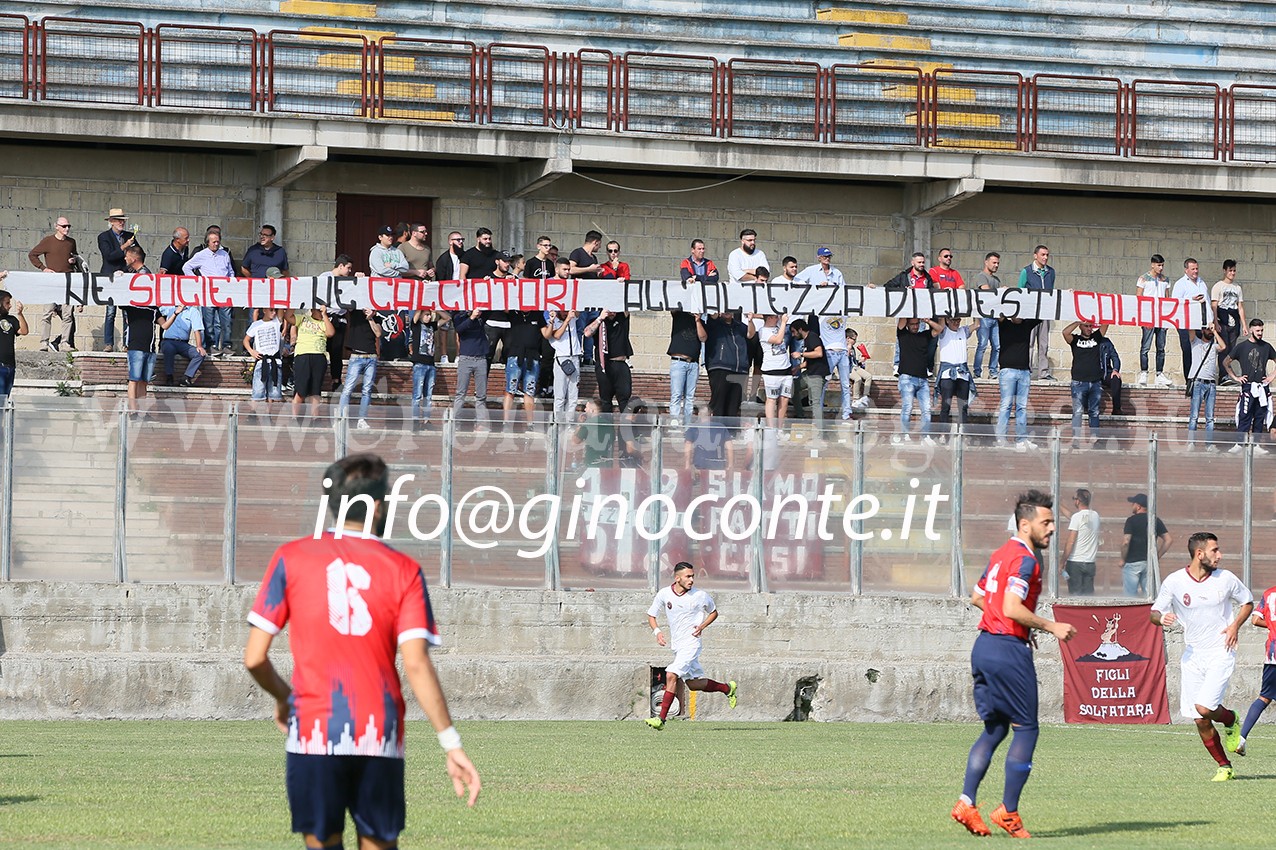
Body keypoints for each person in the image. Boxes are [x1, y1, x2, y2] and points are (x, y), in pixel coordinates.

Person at [243, 454, 481, 850]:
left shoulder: (291, 557)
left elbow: (254, 658)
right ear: (376, 507)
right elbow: (417, 664)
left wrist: (287, 698)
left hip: (315, 732)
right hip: (378, 734)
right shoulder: (403, 570)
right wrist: (450, 742)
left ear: (333, 505)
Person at [951, 489, 1076, 839]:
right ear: (1025, 524)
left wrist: (1019, 624)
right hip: (1007, 651)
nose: (1052, 528)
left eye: (1053, 522)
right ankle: (1009, 811)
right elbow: (1009, 606)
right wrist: (1050, 625)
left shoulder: (999, 553)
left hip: (984, 647)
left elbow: (978, 597)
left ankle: (966, 802)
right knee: (1027, 728)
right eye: (1046, 522)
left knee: (995, 729)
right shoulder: (1026, 560)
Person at [1150, 532, 1253, 781]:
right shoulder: (1175, 582)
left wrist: (1234, 626)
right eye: (1214, 550)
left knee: (1204, 708)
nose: (1220, 555)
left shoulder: (1225, 578)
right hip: (1192, 656)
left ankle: (1230, 719)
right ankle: (1224, 766)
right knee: (1199, 720)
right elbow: (1154, 611)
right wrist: (1162, 618)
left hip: (1221, 651)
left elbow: (1247, 601)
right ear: (1199, 554)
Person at [644, 561, 738, 731]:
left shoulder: (700, 595)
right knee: (694, 685)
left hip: (692, 644)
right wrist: (657, 632)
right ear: (677, 578)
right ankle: (727, 688)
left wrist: (701, 626)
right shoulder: (664, 594)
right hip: (678, 646)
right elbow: (651, 615)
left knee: (671, 674)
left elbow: (714, 612)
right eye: (688, 576)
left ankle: (661, 719)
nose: (691, 580)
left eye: (693, 576)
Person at [120, 245, 166, 409]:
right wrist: (118, 278)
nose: (125, 259)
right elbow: (119, 299)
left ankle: (140, 410)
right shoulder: (132, 304)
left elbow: (164, 324)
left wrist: (177, 311)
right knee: (134, 377)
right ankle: (133, 411)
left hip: (149, 347)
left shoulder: (143, 276)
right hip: (136, 344)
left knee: (144, 380)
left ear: (133, 258)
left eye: (126, 256)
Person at [28, 215, 81, 352]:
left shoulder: (71, 242)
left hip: (67, 280)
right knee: (47, 313)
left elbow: (75, 256)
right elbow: (32, 254)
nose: (67, 229)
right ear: (57, 227)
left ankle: (64, 343)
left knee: (68, 314)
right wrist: (43, 268)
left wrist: (73, 260)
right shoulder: (48, 241)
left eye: (68, 226)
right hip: (52, 280)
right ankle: (44, 342)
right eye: (64, 226)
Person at [1223, 318, 1276, 453]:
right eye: (1257, 330)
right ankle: (1240, 444)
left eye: (1262, 330)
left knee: (1259, 416)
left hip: (1262, 386)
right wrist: (1236, 377)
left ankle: (1256, 444)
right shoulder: (1242, 347)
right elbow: (1226, 362)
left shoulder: (1266, 346)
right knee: (1245, 414)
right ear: (1251, 330)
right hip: (1248, 386)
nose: (1260, 333)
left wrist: (1271, 376)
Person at [1235, 582, 1276, 756]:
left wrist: (1272, 625)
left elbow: (1255, 619)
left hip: (1272, 655)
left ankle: (1242, 738)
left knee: (1264, 697)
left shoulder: (1268, 594)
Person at [183, 230, 236, 358]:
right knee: (209, 321)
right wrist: (197, 281)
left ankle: (226, 345)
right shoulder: (201, 255)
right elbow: (186, 267)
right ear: (208, 243)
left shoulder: (225, 254)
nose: (216, 244)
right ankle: (211, 345)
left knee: (226, 321)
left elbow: (230, 271)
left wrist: (231, 281)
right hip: (208, 293)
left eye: (218, 241)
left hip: (224, 292)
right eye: (214, 242)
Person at [995, 316, 1041, 450]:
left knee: (1022, 407)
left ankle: (1021, 439)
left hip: (1024, 372)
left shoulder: (1027, 324)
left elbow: (1041, 313)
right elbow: (999, 312)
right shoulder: (1005, 324)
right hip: (1008, 372)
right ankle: (1001, 439)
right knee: (1006, 405)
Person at [98, 208, 141, 353]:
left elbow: (139, 253)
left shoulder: (130, 236)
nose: (121, 222)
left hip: (126, 276)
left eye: (122, 220)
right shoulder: (104, 237)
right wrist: (125, 246)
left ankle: (127, 343)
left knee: (127, 312)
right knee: (110, 311)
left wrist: (132, 267)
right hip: (111, 277)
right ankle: (108, 343)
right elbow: (109, 256)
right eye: (118, 220)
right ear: (111, 222)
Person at [1062, 320, 1110, 447]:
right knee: (1077, 411)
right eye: (1087, 326)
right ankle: (1076, 439)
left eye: (1091, 326)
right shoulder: (1075, 340)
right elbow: (1065, 332)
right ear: (1081, 327)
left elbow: (1106, 324)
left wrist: (1096, 315)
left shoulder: (1096, 337)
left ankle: (1094, 437)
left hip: (1095, 382)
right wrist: (1078, 321)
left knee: (1094, 411)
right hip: (1079, 382)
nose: (1090, 329)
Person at [895, 317, 941, 445]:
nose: (915, 326)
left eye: (917, 324)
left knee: (926, 409)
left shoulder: (924, 335)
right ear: (908, 325)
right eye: (912, 324)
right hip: (907, 378)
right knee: (907, 407)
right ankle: (905, 435)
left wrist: (927, 321)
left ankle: (925, 436)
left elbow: (939, 329)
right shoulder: (903, 334)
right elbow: (902, 319)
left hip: (923, 380)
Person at [703, 309, 755, 419]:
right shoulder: (715, 323)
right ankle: (717, 433)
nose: (727, 311)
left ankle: (731, 433)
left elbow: (750, 334)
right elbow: (713, 313)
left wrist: (750, 321)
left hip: (739, 370)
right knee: (719, 404)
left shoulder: (740, 326)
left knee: (734, 406)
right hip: (720, 368)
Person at [338, 309, 383, 430]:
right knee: (347, 388)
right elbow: (349, 305)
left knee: (367, 390)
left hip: (371, 357)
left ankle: (362, 420)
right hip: (356, 356)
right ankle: (341, 419)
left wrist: (370, 318)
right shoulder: (356, 313)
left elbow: (378, 333)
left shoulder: (377, 319)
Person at [1120, 493, 1172, 597]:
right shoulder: (1155, 520)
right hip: (1148, 563)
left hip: (1132, 563)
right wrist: (1156, 557)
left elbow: (1126, 542)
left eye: (1133, 504)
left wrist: (1122, 559)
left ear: (1138, 506)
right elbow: (1168, 540)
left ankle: (1132, 614)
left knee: (1130, 598)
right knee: (1149, 596)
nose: (1132, 506)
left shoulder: (1131, 521)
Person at [1017, 245, 1056, 381]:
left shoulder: (1051, 272)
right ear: (1035, 255)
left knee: (1044, 343)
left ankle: (1043, 373)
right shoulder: (1026, 271)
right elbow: (1020, 291)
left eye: (1047, 255)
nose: (1045, 257)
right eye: (1043, 255)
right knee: (1029, 343)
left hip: (1045, 312)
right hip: (1030, 312)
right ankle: (1025, 371)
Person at [584, 309, 634, 414]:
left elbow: (627, 304)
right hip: (604, 365)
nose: (613, 312)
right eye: (610, 309)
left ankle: (625, 429)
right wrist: (600, 318)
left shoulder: (621, 317)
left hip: (620, 364)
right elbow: (587, 333)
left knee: (624, 400)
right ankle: (607, 429)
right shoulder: (598, 321)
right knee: (605, 400)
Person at [1187, 325, 1228, 449]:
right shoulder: (1195, 342)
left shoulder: (1214, 346)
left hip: (1211, 384)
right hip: (1198, 383)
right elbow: (1190, 328)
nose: (1210, 332)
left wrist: (1215, 330)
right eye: (1208, 329)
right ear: (1202, 330)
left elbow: (1224, 347)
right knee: (1194, 416)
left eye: (1211, 330)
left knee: (1210, 418)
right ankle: (1191, 443)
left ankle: (1209, 444)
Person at [290, 306, 335, 419]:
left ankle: (315, 417)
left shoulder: (324, 323)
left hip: (319, 356)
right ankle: (294, 417)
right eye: (318, 310)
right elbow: (288, 317)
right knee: (301, 389)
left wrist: (324, 315)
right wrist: (294, 302)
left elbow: (331, 333)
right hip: (302, 355)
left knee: (316, 390)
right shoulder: (303, 318)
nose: (319, 312)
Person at [1172, 258, 1211, 383]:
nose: (1195, 271)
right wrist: (1191, 299)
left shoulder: (1202, 283)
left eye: (1197, 269)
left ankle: (1200, 377)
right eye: (1193, 269)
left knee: (1201, 350)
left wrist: (1211, 320)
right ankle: (1189, 379)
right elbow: (1175, 304)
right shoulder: (1180, 284)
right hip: (1185, 323)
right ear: (1186, 270)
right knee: (1188, 349)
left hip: (1201, 323)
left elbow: (1208, 303)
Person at [1136, 254, 1171, 387]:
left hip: (1162, 318)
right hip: (1148, 317)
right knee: (1146, 346)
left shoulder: (1165, 280)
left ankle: (1159, 374)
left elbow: (1168, 300)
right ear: (1152, 264)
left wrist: (1168, 319)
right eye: (1158, 265)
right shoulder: (1143, 279)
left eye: (1162, 265)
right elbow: (1138, 299)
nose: (1161, 268)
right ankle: (1144, 371)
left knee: (1161, 347)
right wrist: (1142, 318)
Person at [936, 316, 978, 427]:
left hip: (962, 374)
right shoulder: (944, 331)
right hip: (947, 374)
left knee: (963, 407)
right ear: (948, 320)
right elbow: (940, 323)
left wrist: (976, 311)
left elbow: (977, 325)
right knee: (945, 406)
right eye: (953, 320)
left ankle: (962, 433)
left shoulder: (963, 331)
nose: (956, 323)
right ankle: (943, 434)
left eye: (958, 320)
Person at [450, 307, 490, 425]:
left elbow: (491, 308)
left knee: (481, 395)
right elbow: (459, 329)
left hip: (481, 358)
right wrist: (472, 317)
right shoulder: (458, 315)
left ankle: (481, 423)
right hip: (465, 358)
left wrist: (478, 313)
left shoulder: (482, 316)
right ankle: (455, 422)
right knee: (460, 393)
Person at [544, 309, 582, 422]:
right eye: (563, 311)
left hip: (575, 357)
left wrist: (572, 315)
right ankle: (558, 423)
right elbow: (556, 335)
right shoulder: (553, 321)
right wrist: (567, 320)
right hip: (561, 358)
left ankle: (569, 422)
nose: (566, 313)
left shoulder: (573, 318)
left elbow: (578, 311)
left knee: (573, 396)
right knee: (560, 395)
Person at [1212, 260, 1245, 384]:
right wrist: (1216, 322)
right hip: (1222, 317)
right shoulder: (1218, 286)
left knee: (1231, 349)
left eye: (1234, 270)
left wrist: (1244, 325)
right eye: (1230, 270)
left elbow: (1240, 307)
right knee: (1223, 348)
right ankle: (1222, 376)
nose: (1232, 273)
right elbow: (1214, 305)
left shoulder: (1237, 288)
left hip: (1234, 319)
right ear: (1225, 271)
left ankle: (1228, 374)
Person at [409, 309, 445, 427]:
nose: (429, 317)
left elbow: (447, 319)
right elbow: (415, 316)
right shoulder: (416, 325)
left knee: (428, 395)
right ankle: (415, 420)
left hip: (431, 364)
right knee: (417, 394)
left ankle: (426, 420)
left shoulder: (432, 326)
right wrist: (422, 304)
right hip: (419, 364)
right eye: (426, 315)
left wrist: (438, 309)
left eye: (430, 315)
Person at [790, 318, 829, 424]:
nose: (793, 335)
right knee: (792, 388)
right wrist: (797, 368)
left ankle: (818, 434)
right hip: (809, 373)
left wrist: (801, 354)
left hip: (816, 375)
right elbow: (810, 360)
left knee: (815, 404)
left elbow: (819, 353)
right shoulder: (807, 340)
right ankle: (800, 415)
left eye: (794, 331)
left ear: (800, 329)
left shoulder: (812, 337)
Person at [158, 303, 206, 388]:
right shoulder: (169, 307)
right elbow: (157, 311)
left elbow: (197, 330)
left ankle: (186, 377)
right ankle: (169, 377)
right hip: (168, 341)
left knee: (199, 354)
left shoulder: (193, 311)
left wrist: (199, 346)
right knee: (169, 349)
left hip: (183, 343)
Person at [245, 308, 285, 404]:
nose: (274, 312)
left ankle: (269, 415)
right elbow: (246, 340)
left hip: (275, 360)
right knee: (257, 392)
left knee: (273, 393)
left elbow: (281, 310)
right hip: (261, 360)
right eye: (271, 310)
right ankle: (253, 414)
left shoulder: (276, 322)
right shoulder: (256, 324)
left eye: (275, 310)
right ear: (264, 310)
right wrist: (251, 351)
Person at [1063, 489, 1100, 595]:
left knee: (1075, 596)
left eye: (1074, 499)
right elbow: (1073, 516)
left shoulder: (1077, 517)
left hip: (1075, 563)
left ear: (1078, 501)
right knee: (1088, 597)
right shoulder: (1095, 516)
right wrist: (1058, 504)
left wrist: (1062, 562)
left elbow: (1070, 541)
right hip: (1090, 563)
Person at [972, 252, 1001, 379]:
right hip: (983, 316)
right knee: (982, 344)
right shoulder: (981, 277)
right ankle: (977, 372)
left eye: (998, 263)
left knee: (997, 346)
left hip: (994, 317)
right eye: (994, 262)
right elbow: (987, 292)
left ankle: (993, 371)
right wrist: (1001, 291)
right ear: (986, 262)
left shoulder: (997, 280)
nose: (996, 265)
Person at [0, 290, 29, 402]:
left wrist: (20, 314)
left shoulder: (11, 320)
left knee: (5, 399)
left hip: (10, 366)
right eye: (7, 303)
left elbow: (24, 331)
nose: (10, 305)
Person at [846, 327, 872, 410]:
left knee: (868, 376)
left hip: (855, 367)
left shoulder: (852, 348)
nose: (855, 341)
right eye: (854, 339)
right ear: (848, 338)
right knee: (858, 379)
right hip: (847, 368)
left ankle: (865, 396)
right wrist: (848, 350)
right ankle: (855, 400)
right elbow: (842, 361)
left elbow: (853, 361)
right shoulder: (843, 347)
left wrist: (860, 361)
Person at [1099, 334, 1125, 416]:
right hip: (1092, 373)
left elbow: (1115, 357)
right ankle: (1088, 408)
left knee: (1116, 378)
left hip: (1106, 372)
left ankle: (1116, 409)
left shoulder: (1106, 342)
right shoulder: (1088, 342)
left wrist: (1115, 370)